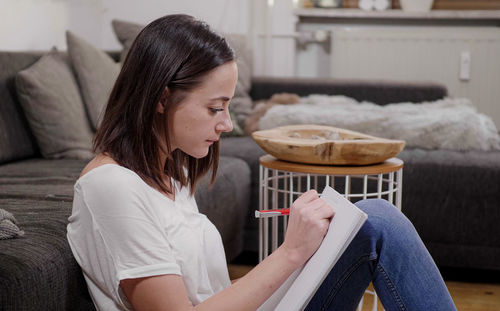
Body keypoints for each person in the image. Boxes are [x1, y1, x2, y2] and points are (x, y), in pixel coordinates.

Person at [67, 14, 457, 311]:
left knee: (372, 220)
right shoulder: (112, 187)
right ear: (161, 98)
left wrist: (306, 251)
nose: (228, 123)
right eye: (215, 108)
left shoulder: (173, 171)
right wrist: (291, 253)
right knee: (379, 220)